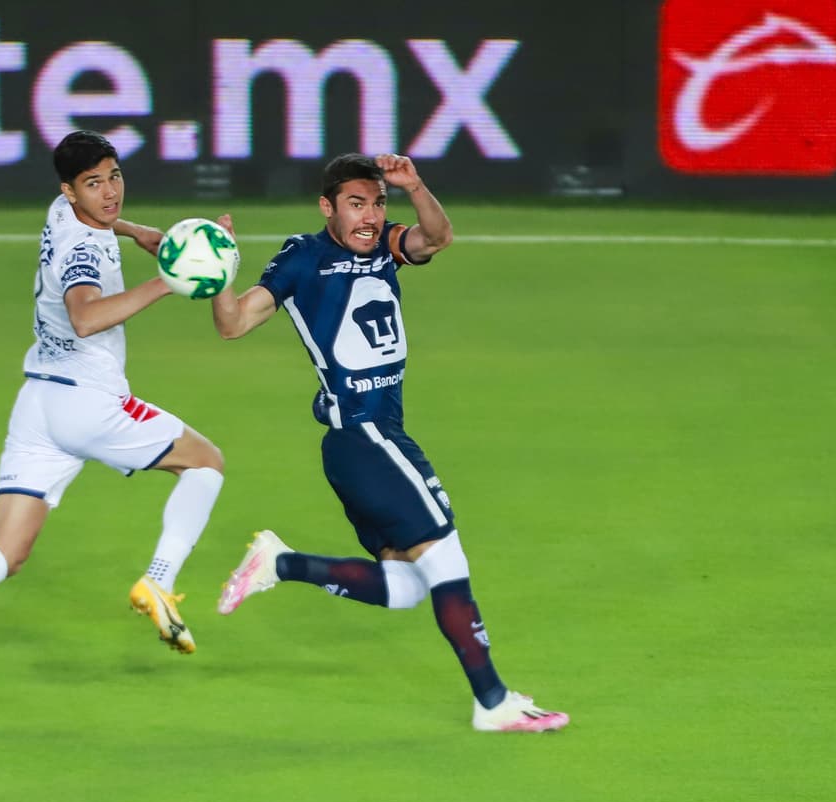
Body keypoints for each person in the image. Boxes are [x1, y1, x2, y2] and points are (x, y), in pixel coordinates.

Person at [209, 153, 568, 732]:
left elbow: (438, 236)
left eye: (378, 203)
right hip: (363, 437)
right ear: (327, 207)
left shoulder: (383, 246)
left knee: (404, 587)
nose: (370, 217)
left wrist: (415, 185)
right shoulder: (303, 259)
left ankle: (281, 562)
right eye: (356, 204)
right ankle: (493, 702)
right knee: (447, 557)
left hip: (375, 438)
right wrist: (218, 273)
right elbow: (233, 323)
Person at [0, 130, 225, 719]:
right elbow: (86, 315)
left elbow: (101, 223)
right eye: (94, 185)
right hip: (89, 404)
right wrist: (170, 280)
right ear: (70, 190)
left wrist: (143, 233)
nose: (110, 192)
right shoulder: (83, 254)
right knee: (205, 462)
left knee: (6, 551)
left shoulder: (66, 212)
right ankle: (158, 581)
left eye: (114, 176)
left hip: (38, 403)